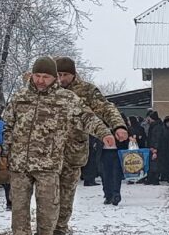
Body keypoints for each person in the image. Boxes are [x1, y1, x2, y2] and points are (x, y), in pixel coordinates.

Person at [3, 57, 117, 235]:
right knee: (19, 206)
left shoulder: (65, 99)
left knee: (48, 205)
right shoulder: (20, 97)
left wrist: (105, 133)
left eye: (45, 77)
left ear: (53, 78)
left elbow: (86, 117)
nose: (40, 80)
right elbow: (7, 125)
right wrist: (6, 151)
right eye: (37, 76)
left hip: (48, 162)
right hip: (20, 162)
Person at [55, 57, 129, 217]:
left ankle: (59, 228)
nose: (61, 79)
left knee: (66, 193)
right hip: (49, 150)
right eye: (58, 74)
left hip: (73, 149)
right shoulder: (50, 89)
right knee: (47, 193)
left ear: (73, 74)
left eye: (65, 75)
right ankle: (45, 228)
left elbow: (106, 108)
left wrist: (119, 126)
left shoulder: (86, 90)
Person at [143, 110, 164, 185]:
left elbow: (157, 138)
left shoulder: (156, 127)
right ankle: (152, 178)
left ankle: (154, 179)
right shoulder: (156, 126)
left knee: (155, 163)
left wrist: (155, 148)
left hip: (154, 148)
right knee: (152, 163)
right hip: (153, 147)